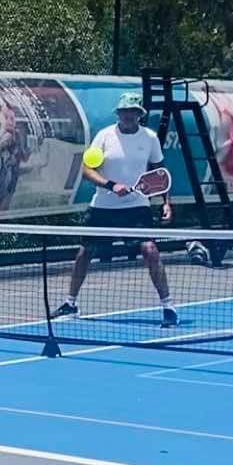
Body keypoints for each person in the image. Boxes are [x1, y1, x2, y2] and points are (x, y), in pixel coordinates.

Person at [52, 91, 178, 328]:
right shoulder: (104, 136)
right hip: (103, 206)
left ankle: (168, 306)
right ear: (118, 114)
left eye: (132, 112)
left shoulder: (149, 138)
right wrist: (111, 185)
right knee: (84, 253)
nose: (127, 116)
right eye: (123, 112)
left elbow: (160, 173)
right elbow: (88, 169)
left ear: (139, 115)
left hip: (137, 207)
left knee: (150, 250)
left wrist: (166, 203)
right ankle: (71, 303)